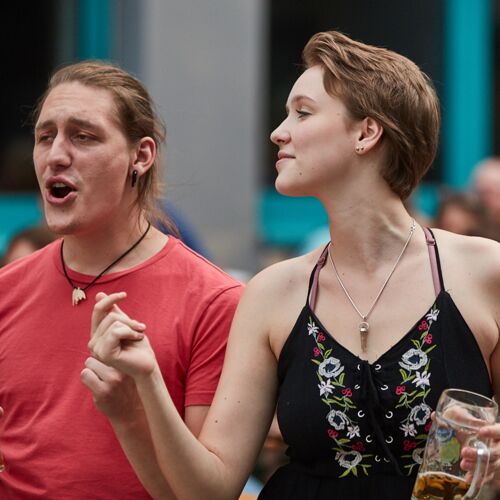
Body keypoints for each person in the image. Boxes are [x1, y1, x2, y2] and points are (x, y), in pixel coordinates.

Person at [88, 31, 500, 499]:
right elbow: (210, 490)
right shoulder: (272, 292)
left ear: (366, 133)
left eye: (302, 112)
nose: (278, 132)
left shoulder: (484, 272)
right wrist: (146, 386)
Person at [0, 61, 243, 498]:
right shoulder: (7, 289)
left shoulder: (214, 300)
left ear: (141, 156)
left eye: (83, 136)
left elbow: (206, 494)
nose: (56, 155)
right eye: (45, 136)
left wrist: (133, 411)